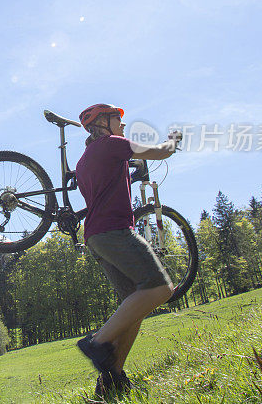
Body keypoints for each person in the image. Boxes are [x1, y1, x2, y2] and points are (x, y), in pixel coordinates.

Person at [74, 103, 180, 398]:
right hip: (116, 231)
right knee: (160, 288)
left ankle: (113, 377)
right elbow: (158, 152)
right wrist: (173, 140)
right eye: (118, 119)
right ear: (104, 123)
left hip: (96, 237)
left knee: (134, 306)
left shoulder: (85, 160)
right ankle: (97, 342)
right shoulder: (111, 144)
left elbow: (109, 183)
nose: (122, 123)